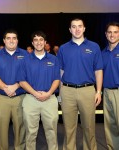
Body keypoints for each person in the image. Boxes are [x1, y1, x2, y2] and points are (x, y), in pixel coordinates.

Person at [57, 18, 103, 150]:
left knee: (89, 126)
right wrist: (60, 94)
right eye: (74, 27)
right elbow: (60, 72)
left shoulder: (94, 47)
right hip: (67, 91)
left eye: (79, 26)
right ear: (70, 29)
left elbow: (98, 70)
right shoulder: (63, 48)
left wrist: (98, 91)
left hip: (87, 90)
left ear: (84, 28)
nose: (77, 29)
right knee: (68, 127)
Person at [19, 31, 60, 150]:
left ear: (45, 42)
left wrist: (48, 93)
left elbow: (57, 79)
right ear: (32, 43)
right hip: (31, 99)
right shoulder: (25, 60)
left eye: (41, 40)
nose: (38, 42)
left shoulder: (53, 59)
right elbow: (22, 81)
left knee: (52, 131)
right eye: (35, 40)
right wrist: (36, 93)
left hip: (50, 98)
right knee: (30, 132)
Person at [0, 29, 27, 150]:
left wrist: (16, 86)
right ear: (4, 40)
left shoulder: (25, 55)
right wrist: (6, 88)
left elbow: (27, 75)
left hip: (20, 98)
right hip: (1, 98)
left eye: (14, 38)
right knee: (1, 129)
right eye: (8, 38)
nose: (11, 40)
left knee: (20, 129)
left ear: (17, 40)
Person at [102, 22, 119, 150]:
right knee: (110, 127)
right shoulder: (103, 53)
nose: (112, 35)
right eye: (110, 32)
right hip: (107, 92)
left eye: (115, 32)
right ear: (106, 34)